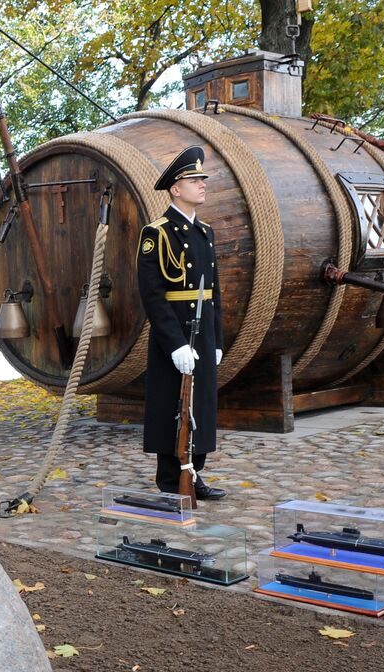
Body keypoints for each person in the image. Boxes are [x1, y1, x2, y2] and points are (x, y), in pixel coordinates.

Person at [136, 145, 226, 501]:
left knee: (200, 404)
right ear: (176, 188)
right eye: (194, 179)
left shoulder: (205, 232)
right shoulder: (156, 234)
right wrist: (174, 343)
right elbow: (153, 296)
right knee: (171, 404)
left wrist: (217, 339)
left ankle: (194, 473)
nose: (202, 184)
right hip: (174, 333)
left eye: (202, 178)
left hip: (202, 333)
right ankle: (171, 481)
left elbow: (215, 292)